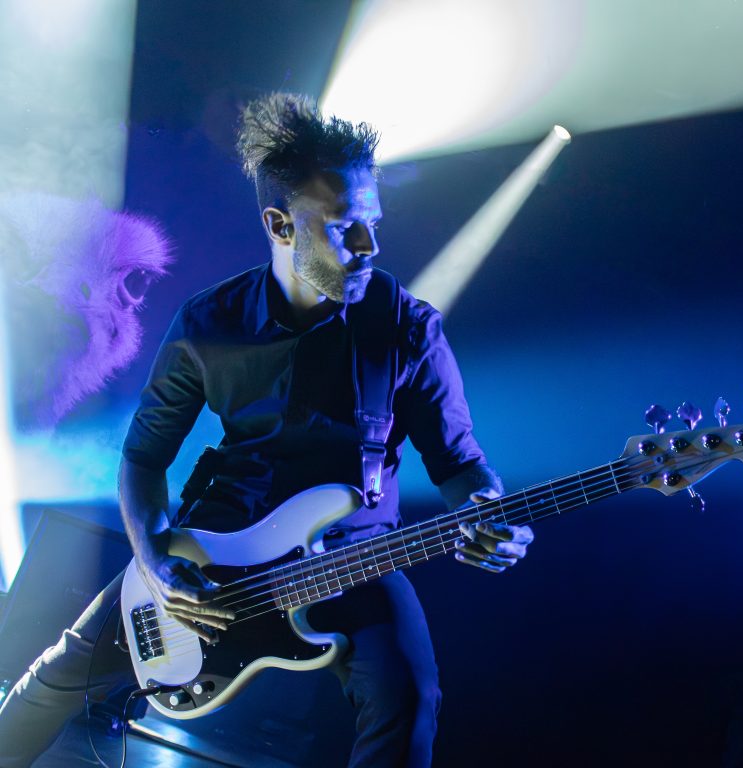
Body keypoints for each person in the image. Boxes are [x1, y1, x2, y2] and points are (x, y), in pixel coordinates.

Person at [0, 92, 534, 768]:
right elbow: (143, 456)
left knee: (407, 699)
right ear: (280, 225)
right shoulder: (210, 323)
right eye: (344, 228)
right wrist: (158, 564)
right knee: (55, 676)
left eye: (373, 223)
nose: (370, 246)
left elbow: (458, 463)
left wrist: (487, 506)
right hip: (217, 546)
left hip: (353, 552)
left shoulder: (407, 328)